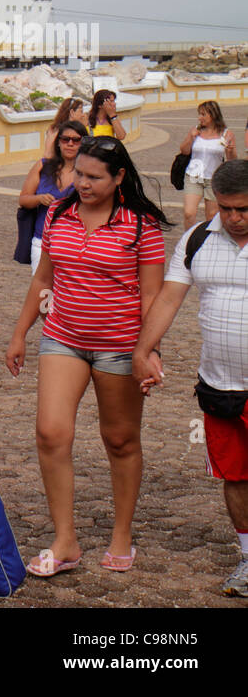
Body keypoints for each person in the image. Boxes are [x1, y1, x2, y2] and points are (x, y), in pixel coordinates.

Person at [6, 135, 170, 576]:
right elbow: (43, 278)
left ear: (118, 178)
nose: (82, 183)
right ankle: (65, 541)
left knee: (120, 440)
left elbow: (153, 297)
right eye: (78, 173)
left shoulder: (140, 225)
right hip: (62, 337)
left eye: (93, 177)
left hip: (121, 346)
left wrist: (148, 352)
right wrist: (21, 332)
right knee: (50, 434)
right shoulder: (59, 212)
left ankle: (121, 534)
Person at [133, 160, 248, 597]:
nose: (234, 217)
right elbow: (167, 299)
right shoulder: (197, 239)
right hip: (220, 386)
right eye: (226, 208)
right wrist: (144, 350)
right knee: (235, 477)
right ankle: (247, 559)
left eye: (244, 209)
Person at [19, 119, 86, 271]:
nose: (70, 144)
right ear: (58, 142)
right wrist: (39, 199)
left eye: (76, 140)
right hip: (42, 241)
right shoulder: (43, 166)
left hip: (75, 243)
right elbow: (23, 199)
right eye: (65, 139)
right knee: (43, 292)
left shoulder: (89, 172)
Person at [179, 100, 237, 229]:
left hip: (214, 178)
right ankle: (188, 241)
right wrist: (190, 137)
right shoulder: (196, 131)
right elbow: (184, 150)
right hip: (193, 176)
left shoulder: (227, 134)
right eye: (199, 114)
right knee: (189, 213)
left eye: (203, 114)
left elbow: (232, 161)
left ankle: (207, 242)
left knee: (211, 215)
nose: (200, 118)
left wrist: (230, 150)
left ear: (213, 115)